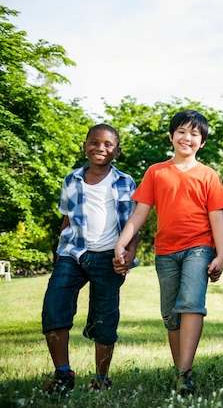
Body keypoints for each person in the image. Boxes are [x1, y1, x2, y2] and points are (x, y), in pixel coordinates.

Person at [114, 110, 223, 394]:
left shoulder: (209, 175)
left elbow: (217, 218)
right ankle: (181, 373)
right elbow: (140, 213)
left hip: (199, 248)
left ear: (201, 142)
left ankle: (185, 374)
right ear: (171, 136)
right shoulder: (156, 172)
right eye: (181, 131)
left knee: (191, 303)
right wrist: (122, 242)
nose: (187, 138)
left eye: (194, 134)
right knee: (170, 314)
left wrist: (221, 254)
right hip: (165, 251)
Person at [42, 123, 139, 393]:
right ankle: (63, 374)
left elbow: (134, 221)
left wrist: (129, 253)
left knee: (104, 318)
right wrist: (58, 253)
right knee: (54, 307)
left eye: (108, 145)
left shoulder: (125, 182)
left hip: (109, 258)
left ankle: (101, 378)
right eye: (95, 142)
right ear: (85, 146)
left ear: (117, 151)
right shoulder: (71, 179)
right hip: (72, 254)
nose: (101, 148)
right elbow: (66, 218)